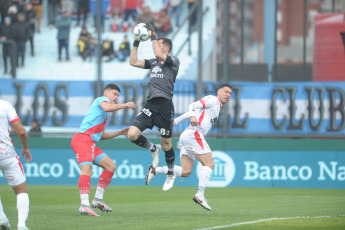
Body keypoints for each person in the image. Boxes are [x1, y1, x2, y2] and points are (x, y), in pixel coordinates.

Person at [145, 84, 232, 210]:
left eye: (230, 93)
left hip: (187, 136)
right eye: (226, 92)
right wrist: (192, 116)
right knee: (209, 164)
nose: (228, 95)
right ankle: (200, 195)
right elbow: (193, 106)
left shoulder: (217, 106)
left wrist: (176, 121)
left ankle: (155, 170)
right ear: (218, 91)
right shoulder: (213, 100)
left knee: (186, 172)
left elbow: (193, 112)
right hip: (194, 134)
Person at [128, 24, 180, 191]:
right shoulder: (154, 62)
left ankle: (171, 172)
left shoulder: (173, 61)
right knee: (132, 134)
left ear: (165, 47)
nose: (155, 44)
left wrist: (152, 35)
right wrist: (136, 41)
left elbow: (158, 52)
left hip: (165, 106)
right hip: (151, 104)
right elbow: (133, 61)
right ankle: (152, 148)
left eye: (158, 42)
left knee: (167, 145)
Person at [71, 84, 136, 216]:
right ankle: (84, 205)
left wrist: (119, 132)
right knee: (87, 170)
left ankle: (98, 199)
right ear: (106, 93)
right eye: (114, 94)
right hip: (83, 139)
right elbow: (107, 107)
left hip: (90, 142)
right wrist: (126, 105)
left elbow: (101, 136)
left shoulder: (106, 114)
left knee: (110, 166)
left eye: (118, 95)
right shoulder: (101, 100)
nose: (116, 97)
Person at [0, 99, 32, 230]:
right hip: (7, 154)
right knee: (21, 191)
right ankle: (21, 225)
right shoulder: (4, 105)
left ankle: (1, 217)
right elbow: (21, 131)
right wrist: (25, 147)